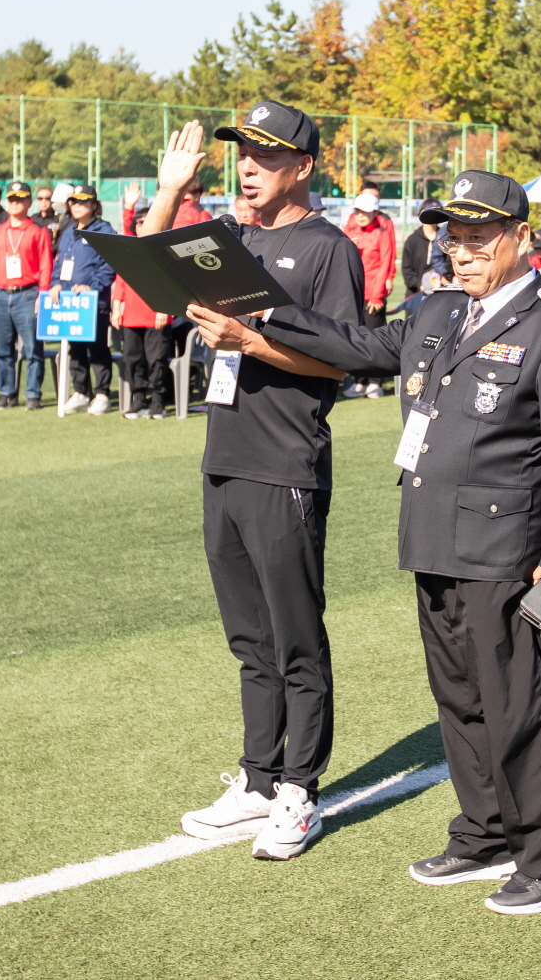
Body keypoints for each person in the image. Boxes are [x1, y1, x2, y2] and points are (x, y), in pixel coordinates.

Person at [252, 170, 541, 915]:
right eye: (452, 238)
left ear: (520, 238)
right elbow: (355, 343)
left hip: (506, 549)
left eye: (478, 239)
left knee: (517, 705)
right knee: (460, 699)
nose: (461, 252)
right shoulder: (439, 308)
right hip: (433, 534)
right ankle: (486, 832)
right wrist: (265, 311)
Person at [158, 104, 364, 861]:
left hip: (285, 464)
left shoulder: (328, 249)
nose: (248, 165)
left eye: (266, 154)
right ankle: (256, 779)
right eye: (242, 151)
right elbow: (149, 279)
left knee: (295, 637)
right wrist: (171, 191)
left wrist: (250, 341)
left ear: (302, 166)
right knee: (250, 640)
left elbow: (343, 361)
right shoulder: (232, 237)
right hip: (225, 458)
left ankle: (299, 791)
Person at [0, 179, 54, 410]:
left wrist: (42, 293)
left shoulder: (37, 231)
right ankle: (6, 392)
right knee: (2, 349)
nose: (15, 203)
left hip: (27, 294)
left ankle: (33, 393)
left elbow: (46, 264)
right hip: (0, 295)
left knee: (32, 348)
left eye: (20, 199)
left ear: (29, 202)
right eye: (11, 199)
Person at [54, 184, 120, 416]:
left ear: (94, 205)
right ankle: (81, 392)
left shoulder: (104, 230)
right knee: (75, 348)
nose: (77, 206)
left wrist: (91, 286)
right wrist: (56, 284)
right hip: (69, 300)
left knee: (98, 347)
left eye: (83, 201)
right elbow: (59, 263)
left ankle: (102, 394)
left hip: (94, 302)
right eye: (74, 201)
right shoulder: (68, 230)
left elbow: (110, 264)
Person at [112, 217, 173, 419]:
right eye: (139, 222)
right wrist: (116, 308)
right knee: (132, 359)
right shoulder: (128, 252)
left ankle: (158, 401)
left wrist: (164, 309)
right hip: (131, 316)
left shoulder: (164, 251)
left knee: (157, 360)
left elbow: (171, 282)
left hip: (156, 316)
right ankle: (138, 399)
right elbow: (120, 282)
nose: (143, 225)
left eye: (148, 220)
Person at [342, 186, 397, 398]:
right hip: (354, 293)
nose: (360, 216)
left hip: (373, 293)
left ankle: (375, 382)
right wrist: (349, 245)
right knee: (355, 337)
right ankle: (359, 380)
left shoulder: (381, 233)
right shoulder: (350, 231)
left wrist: (377, 295)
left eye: (364, 212)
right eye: (358, 211)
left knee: (376, 339)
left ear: (375, 212)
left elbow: (385, 264)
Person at [401, 197, 448, 299]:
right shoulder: (412, 240)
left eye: (435, 214)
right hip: (416, 293)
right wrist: (420, 285)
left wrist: (444, 279)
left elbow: (448, 265)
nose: (431, 218)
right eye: (428, 213)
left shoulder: (445, 239)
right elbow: (407, 270)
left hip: (440, 293)